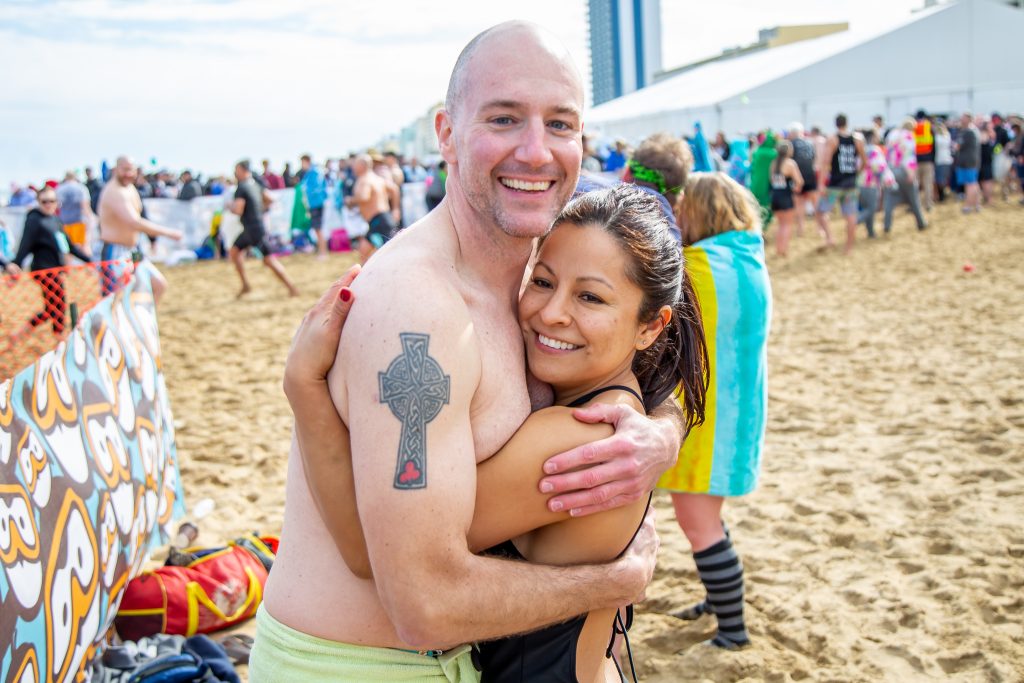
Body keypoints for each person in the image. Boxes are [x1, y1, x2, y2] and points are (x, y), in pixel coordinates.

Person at [254, 21, 686, 682]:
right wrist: (613, 580)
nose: (536, 152)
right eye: (504, 118)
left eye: (560, 124)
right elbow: (420, 597)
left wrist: (664, 432)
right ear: (447, 133)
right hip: (360, 666)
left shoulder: (541, 268)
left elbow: (646, 343)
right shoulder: (420, 309)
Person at [278, 185, 709, 681]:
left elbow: (368, 550)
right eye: (542, 281)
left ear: (650, 328)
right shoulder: (622, 407)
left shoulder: (583, 439)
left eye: (590, 296)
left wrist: (305, 389)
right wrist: (668, 426)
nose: (552, 312)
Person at [662, 171, 771, 651]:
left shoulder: (702, 267)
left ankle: (732, 631)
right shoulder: (747, 257)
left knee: (699, 525)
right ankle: (716, 600)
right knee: (708, 518)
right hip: (738, 409)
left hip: (711, 418)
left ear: (699, 211)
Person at [97, 156, 182, 302]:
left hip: (134, 250)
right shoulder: (114, 191)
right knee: (115, 300)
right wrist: (169, 233)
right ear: (116, 169)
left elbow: (142, 216)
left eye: (131, 170)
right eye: (124, 169)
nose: (128, 174)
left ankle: (140, 316)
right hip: (115, 251)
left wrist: (152, 239)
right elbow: (134, 222)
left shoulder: (130, 188)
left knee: (158, 285)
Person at [10, 186, 91, 339]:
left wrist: (89, 260)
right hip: (43, 271)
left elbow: (69, 246)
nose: (48, 204)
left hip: (56, 270)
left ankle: (24, 330)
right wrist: (16, 264)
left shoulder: (55, 220)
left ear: (57, 202)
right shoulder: (34, 220)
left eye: (52, 201)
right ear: (38, 202)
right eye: (44, 201)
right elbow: (25, 245)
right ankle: (59, 337)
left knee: (51, 308)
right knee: (59, 305)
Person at [228, 160, 298, 298]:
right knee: (234, 251)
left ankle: (292, 287)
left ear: (242, 170)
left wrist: (229, 206)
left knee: (268, 259)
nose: (235, 173)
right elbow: (270, 199)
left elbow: (238, 210)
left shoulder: (241, 187)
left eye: (236, 170)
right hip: (251, 228)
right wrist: (259, 210)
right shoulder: (256, 184)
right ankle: (245, 285)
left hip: (253, 230)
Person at [815, 113, 865, 254]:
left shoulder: (833, 139)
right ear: (846, 123)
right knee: (850, 216)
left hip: (835, 184)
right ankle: (848, 248)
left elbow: (826, 162)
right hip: (851, 184)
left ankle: (830, 238)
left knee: (820, 211)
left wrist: (821, 183)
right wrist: (857, 173)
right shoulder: (857, 139)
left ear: (836, 124)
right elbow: (864, 160)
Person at [345, 154, 397, 263]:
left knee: (389, 256)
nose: (353, 167)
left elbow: (364, 196)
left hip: (379, 222)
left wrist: (350, 200)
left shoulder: (365, 179)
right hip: (379, 220)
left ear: (362, 165)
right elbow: (394, 189)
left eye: (355, 164)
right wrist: (396, 209)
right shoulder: (376, 178)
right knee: (364, 252)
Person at [883, 118, 928, 233]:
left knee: (889, 199)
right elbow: (908, 156)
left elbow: (887, 153)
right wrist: (911, 173)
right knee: (913, 198)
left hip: (890, 170)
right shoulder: (908, 136)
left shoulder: (892, 134)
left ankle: (887, 225)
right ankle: (921, 222)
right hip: (903, 170)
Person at [858, 129, 896, 239]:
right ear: (873, 138)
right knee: (872, 208)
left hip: (860, 182)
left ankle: (871, 232)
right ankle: (856, 221)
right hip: (871, 183)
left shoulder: (862, 149)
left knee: (868, 207)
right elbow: (880, 167)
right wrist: (888, 180)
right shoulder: (875, 150)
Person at [769, 139, 803, 257]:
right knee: (787, 225)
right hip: (786, 197)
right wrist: (796, 189)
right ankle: (783, 250)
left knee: (780, 225)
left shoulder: (773, 163)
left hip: (775, 197)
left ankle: (778, 249)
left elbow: (771, 181)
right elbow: (799, 181)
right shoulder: (790, 163)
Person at [789, 123, 818, 238]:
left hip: (797, 177)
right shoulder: (809, 143)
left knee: (799, 203)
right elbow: (814, 159)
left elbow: (789, 162)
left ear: (792, 133)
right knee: (815, 203)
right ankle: (820, 227)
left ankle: (801, 229)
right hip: (810, 175)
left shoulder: (791, 144)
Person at [56, 170, 94, 248]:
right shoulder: (81, 188)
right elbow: (85, 207)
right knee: (84, 247)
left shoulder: (59, 189)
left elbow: (56, 206)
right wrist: (91, 219)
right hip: (79, 222)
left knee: (67, 249)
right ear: (75, 177)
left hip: (64, 223)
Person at [300, 154, 328, 257]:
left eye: (302, 162)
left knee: (318, 229)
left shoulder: (315, 172)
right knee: (316, 229)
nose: (301, 165)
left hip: (316, 204)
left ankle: (323, 252)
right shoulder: (311, 173)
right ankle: (321, 251)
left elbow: (317, 189)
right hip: (314, 204)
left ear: (306, 161)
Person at [956, 112, 982, 214]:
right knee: (973, 183)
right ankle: (977, 205)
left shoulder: (968, 131)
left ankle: (968, 206)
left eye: (963, 117)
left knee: (970, 184)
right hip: (972, 161)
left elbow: (958, 146)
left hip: (967, 162)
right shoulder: (974, 130)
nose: (961, 119)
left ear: (968, 119)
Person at [914, 110, 936, 212]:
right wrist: (933, 159)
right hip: (928, 159)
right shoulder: (929, 127)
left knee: (916, 184)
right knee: (928, 183)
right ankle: (928, 204)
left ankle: (916, 205)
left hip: (915, 160)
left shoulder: (913, 127)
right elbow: (934, 145)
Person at [934, 121, 954, 202]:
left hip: (939, 160)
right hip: (947, 160)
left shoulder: (937, 137)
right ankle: (942, 194)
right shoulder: (947, 136)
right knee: (944, 179)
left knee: (939, 179)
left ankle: (941, 195)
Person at [978, 120, 996, 205]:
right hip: (985, 161)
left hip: (984, 161)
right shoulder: (987, 135)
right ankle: (988, 198)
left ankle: (987, 198)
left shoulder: (985, 134)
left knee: (985, 181)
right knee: (986, 181)